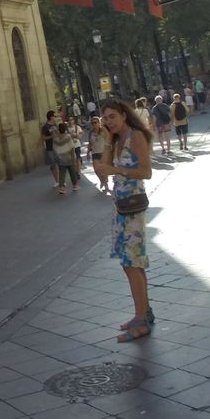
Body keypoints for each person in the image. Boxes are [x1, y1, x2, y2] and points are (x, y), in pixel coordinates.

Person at [92, 98, 154, 342]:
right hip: (121, 208)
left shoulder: (136, 136)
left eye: (112, 117)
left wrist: (118, 171)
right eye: (105, 118)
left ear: (124, 115)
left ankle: (141, 320)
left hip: (134, 207)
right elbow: (102, 168)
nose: (109, 122)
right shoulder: (116, 139)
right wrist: (107, 141)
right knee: (130, 263)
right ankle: (143, 313)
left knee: (132, 262)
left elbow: (146, 172)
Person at [51, 124, 81, 194]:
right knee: (72, 172)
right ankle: (75, 185)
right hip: (69, 157)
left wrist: (59, 155)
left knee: (62, 173)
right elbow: (72, 147)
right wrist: (74, 157)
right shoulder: (68, 137)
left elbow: (55, 148)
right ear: (65, 129)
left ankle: (62, 188)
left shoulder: (55, 139)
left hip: (61, 158)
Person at [39, 111, 60, 187]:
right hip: (50, 148)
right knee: (53, 164)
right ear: (51, 117)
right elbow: (43, 137)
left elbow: (59, 134)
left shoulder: (55, 125)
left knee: (60, 163)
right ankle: (57, 181)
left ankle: (61, 180)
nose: (55, 117)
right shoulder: (45, 127)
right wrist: (51, 136)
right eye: (54, 116)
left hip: (57, 146)